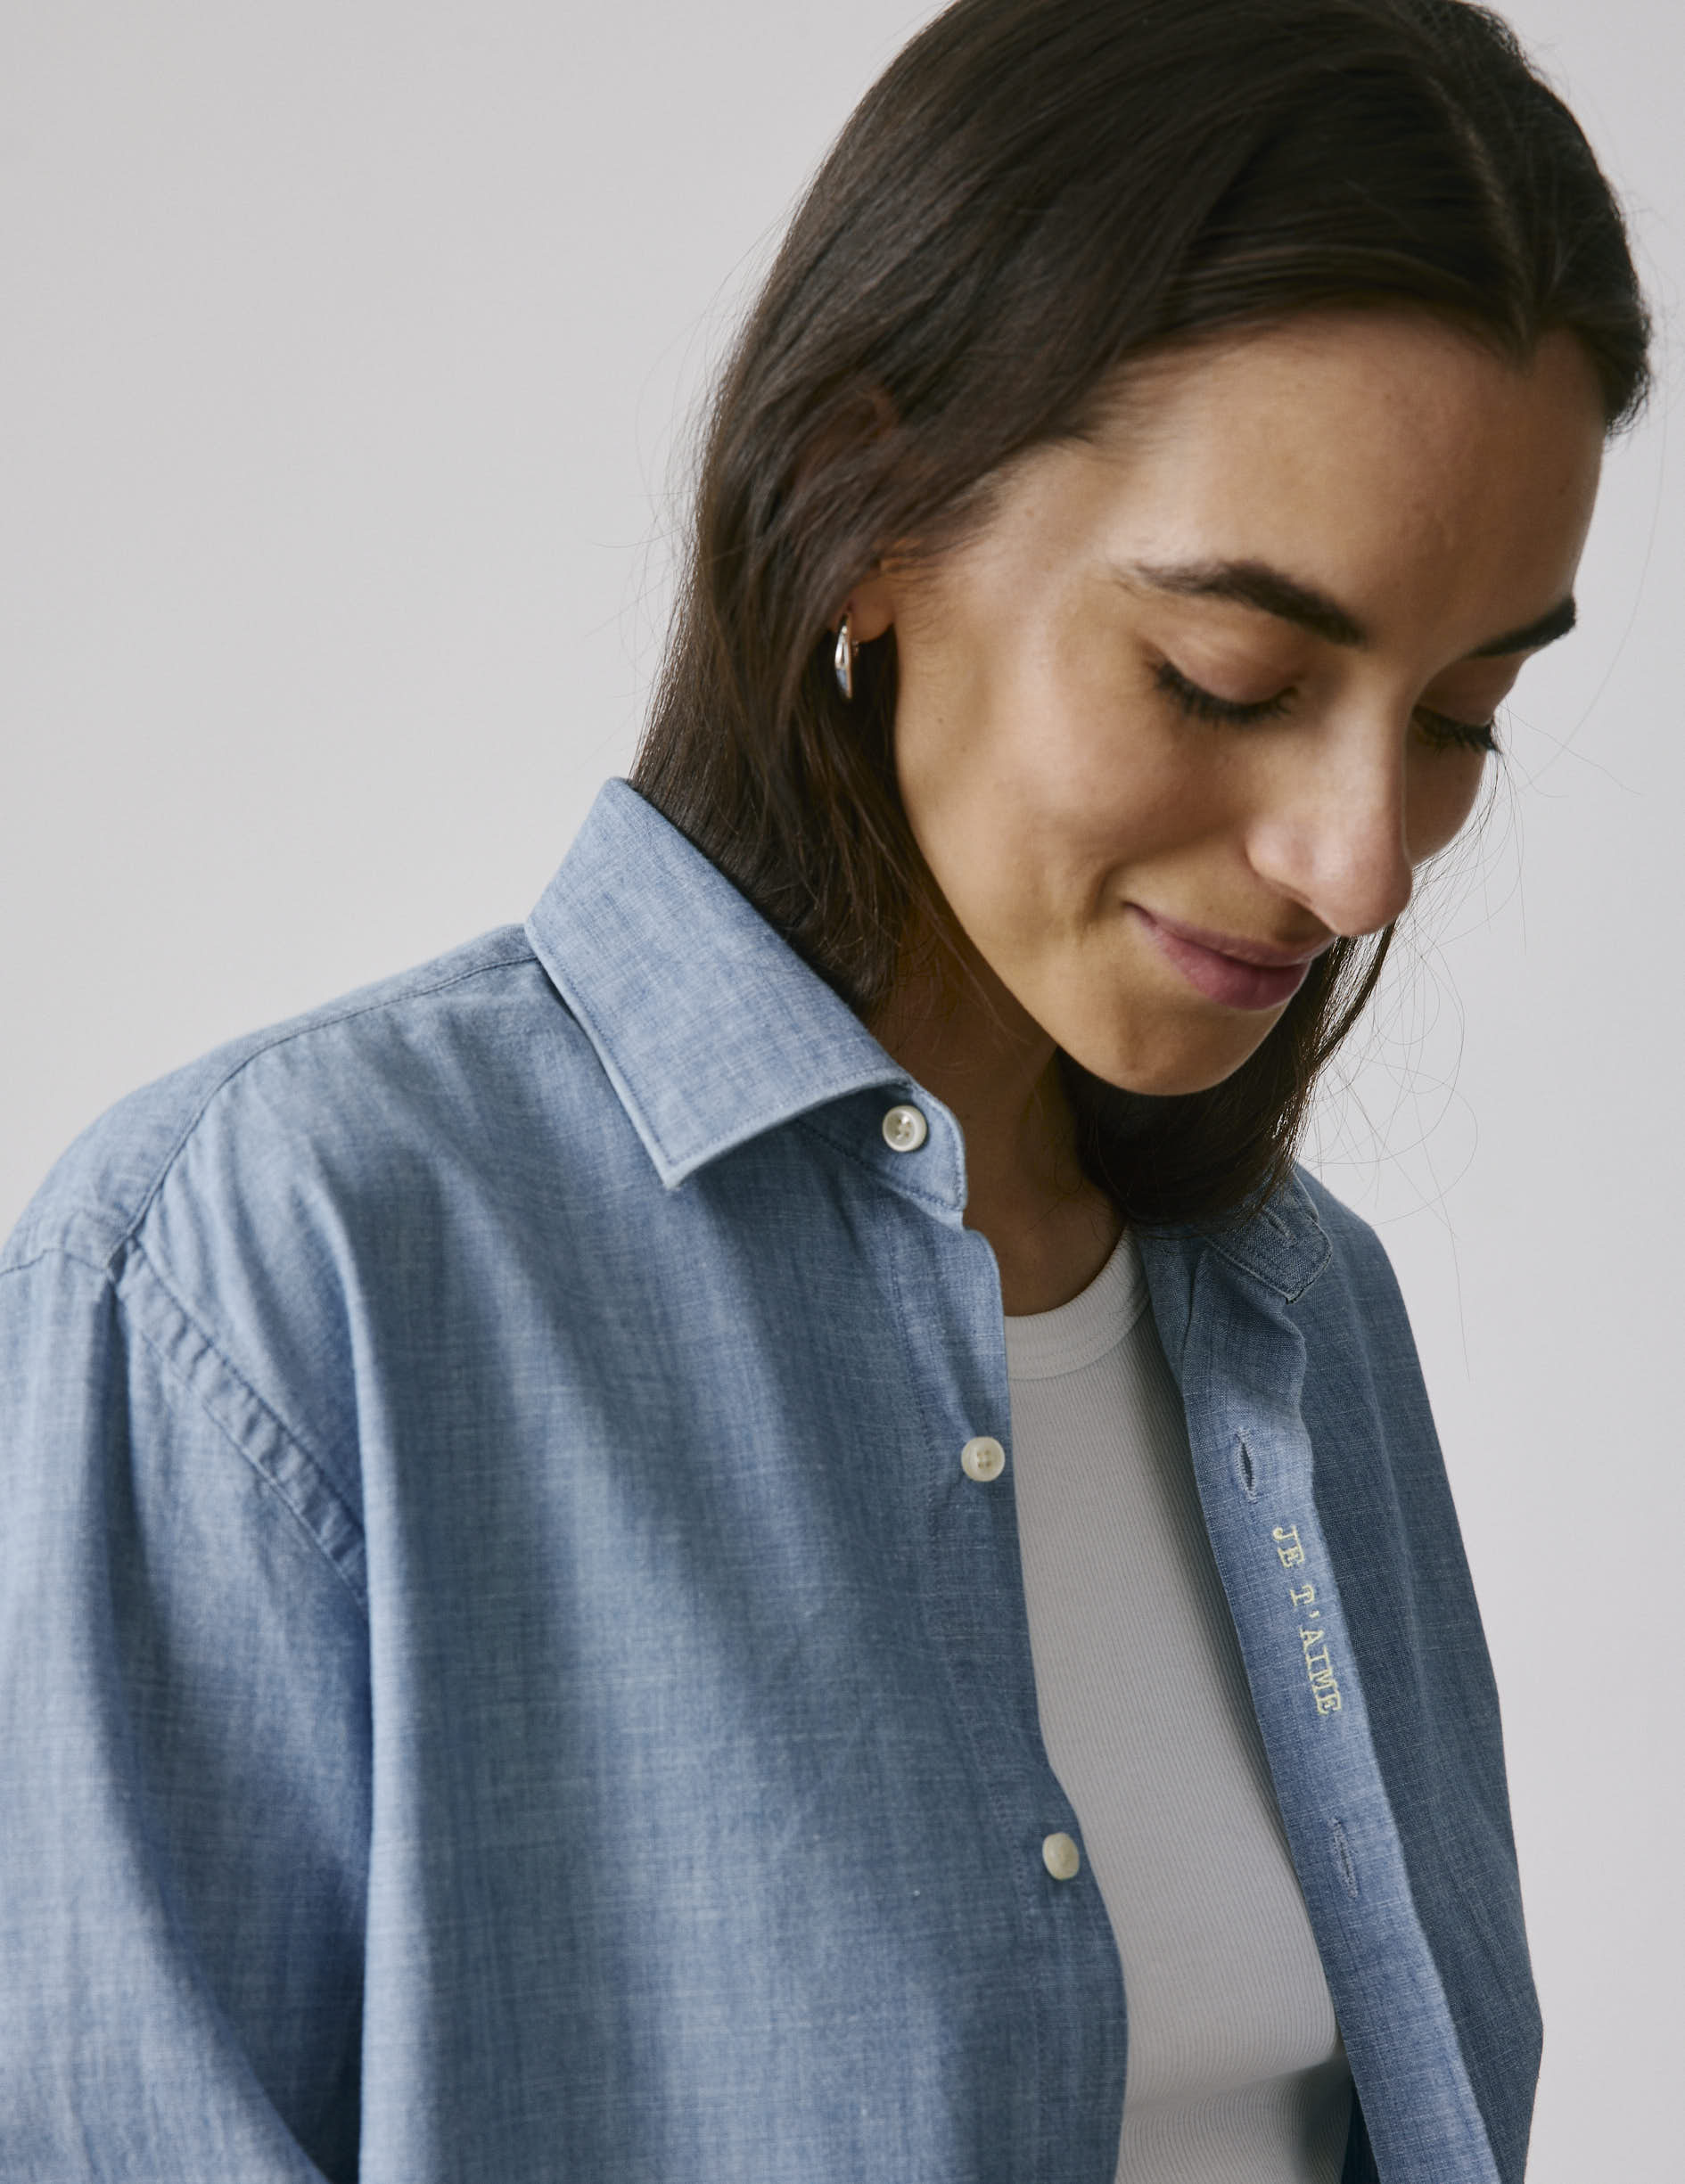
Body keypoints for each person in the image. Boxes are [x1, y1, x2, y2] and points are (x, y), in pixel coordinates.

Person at [0, 0, 1648, 2179]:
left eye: (1462, 715)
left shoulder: (1305, 1324)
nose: (1362, 857)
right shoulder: (271, 1280)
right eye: (1228, 676)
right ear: (867, 506)